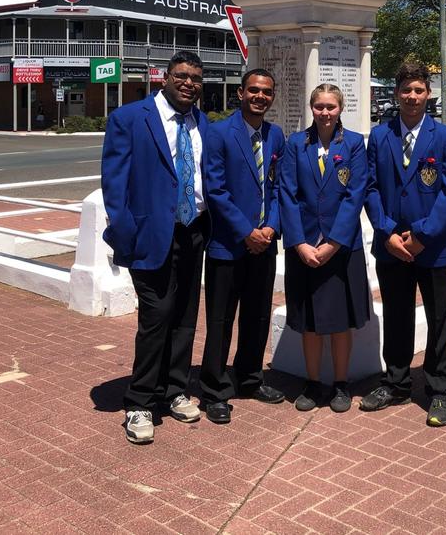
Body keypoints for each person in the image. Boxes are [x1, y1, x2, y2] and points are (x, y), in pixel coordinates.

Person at [101, 51, 211, 444]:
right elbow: (115, 185)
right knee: (157, 315)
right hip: (149, 236)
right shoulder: (130, 119)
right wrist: (126, 232)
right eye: (181, 76)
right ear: (164, 78)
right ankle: (139, 402)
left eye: (196, 78)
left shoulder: (202, 123)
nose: (189, 83)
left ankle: (175, 389)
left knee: (184, 315)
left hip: (193, 231)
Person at [363, 62, 446, 427]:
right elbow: (370, 187)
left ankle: (441, 391)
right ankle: (397, 381)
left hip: (432, 247)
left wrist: (422, 234)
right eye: (406, 89)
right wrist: (387, 231)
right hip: (391, 247)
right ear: (396, 93)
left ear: (429, 94)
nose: (412, 96)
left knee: (440, 320)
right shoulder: (379, 136)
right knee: (397, 315)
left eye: (419, 90)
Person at [199, 68, 286, 424]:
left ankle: (250, 378)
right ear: (240, 93)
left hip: (264, 244)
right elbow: (215, 190)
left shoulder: (276, 135)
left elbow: (280, 188)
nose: (260, 97)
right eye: (254, 90)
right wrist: (246, 231)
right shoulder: (219, 134)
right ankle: (215, 390)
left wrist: (270, 228)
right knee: (221, 320)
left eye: (266, 92)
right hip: (227, 246)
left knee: (258, 316)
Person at [280, 84, 370, 413]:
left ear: (340, 108)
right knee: (310, 320)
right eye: (319, 106)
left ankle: (342, 383)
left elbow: (355, 194)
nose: (325, 112)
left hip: (342, 248)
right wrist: (300, 243)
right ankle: (314, 381)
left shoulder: (355, 144)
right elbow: (286, 193)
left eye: (331, 106)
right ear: (311, 108)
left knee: (340, 319)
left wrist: (333, 242)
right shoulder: (295, 144)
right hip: (303, 245)